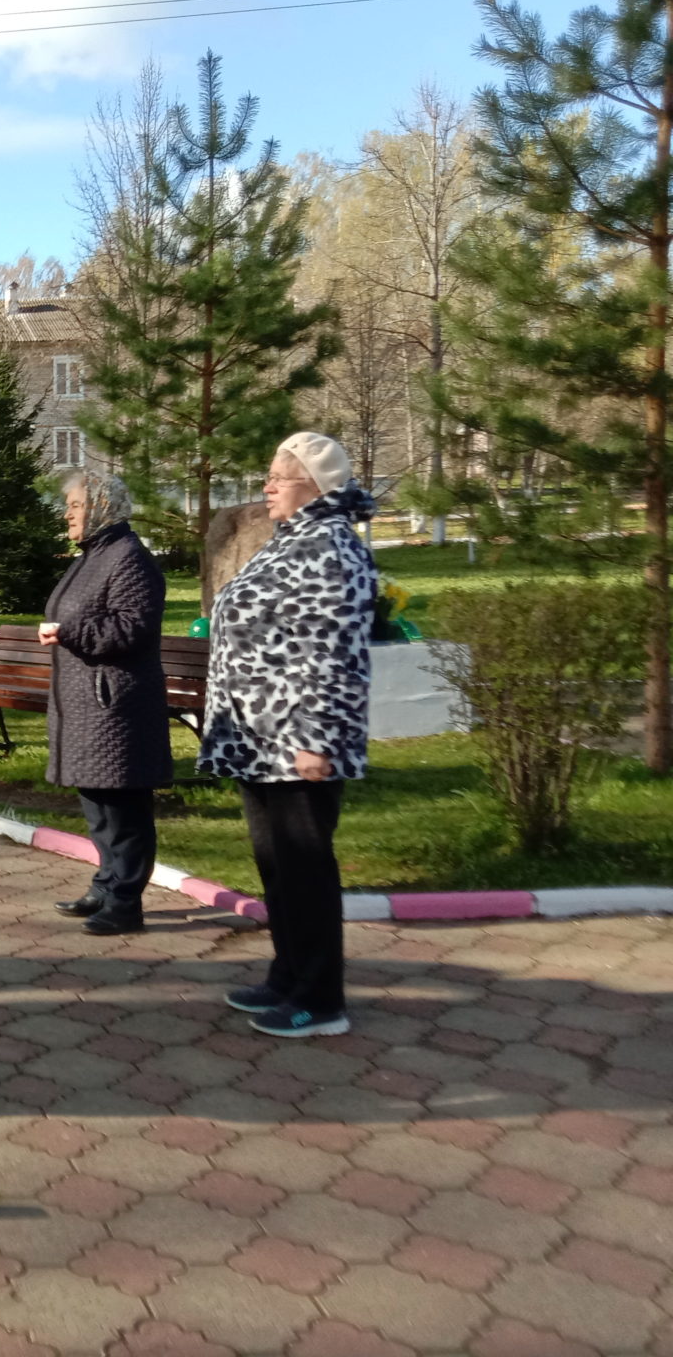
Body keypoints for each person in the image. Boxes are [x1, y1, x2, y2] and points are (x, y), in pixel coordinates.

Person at [199, 431, 378, 1039]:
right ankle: (287, 975)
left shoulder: (331, 548)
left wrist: (317, 740)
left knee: (305, 871)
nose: (267, 486)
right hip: (260, 741)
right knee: (278, 867)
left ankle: (321, 1000)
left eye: (278, 476)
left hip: (298, 742)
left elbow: (333, 653)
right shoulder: (293, 540)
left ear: (315, 485)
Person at [39, 472, 173, 936]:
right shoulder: (94, 555)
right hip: (87, 707)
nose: (67, 514)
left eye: (76, 505)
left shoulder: (129, 558)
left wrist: (68, 631)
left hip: (117, 707)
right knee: (98, 802)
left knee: (124, 809)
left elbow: (131, 628)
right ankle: (106, 884)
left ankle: (125, 901)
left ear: (100, 507)